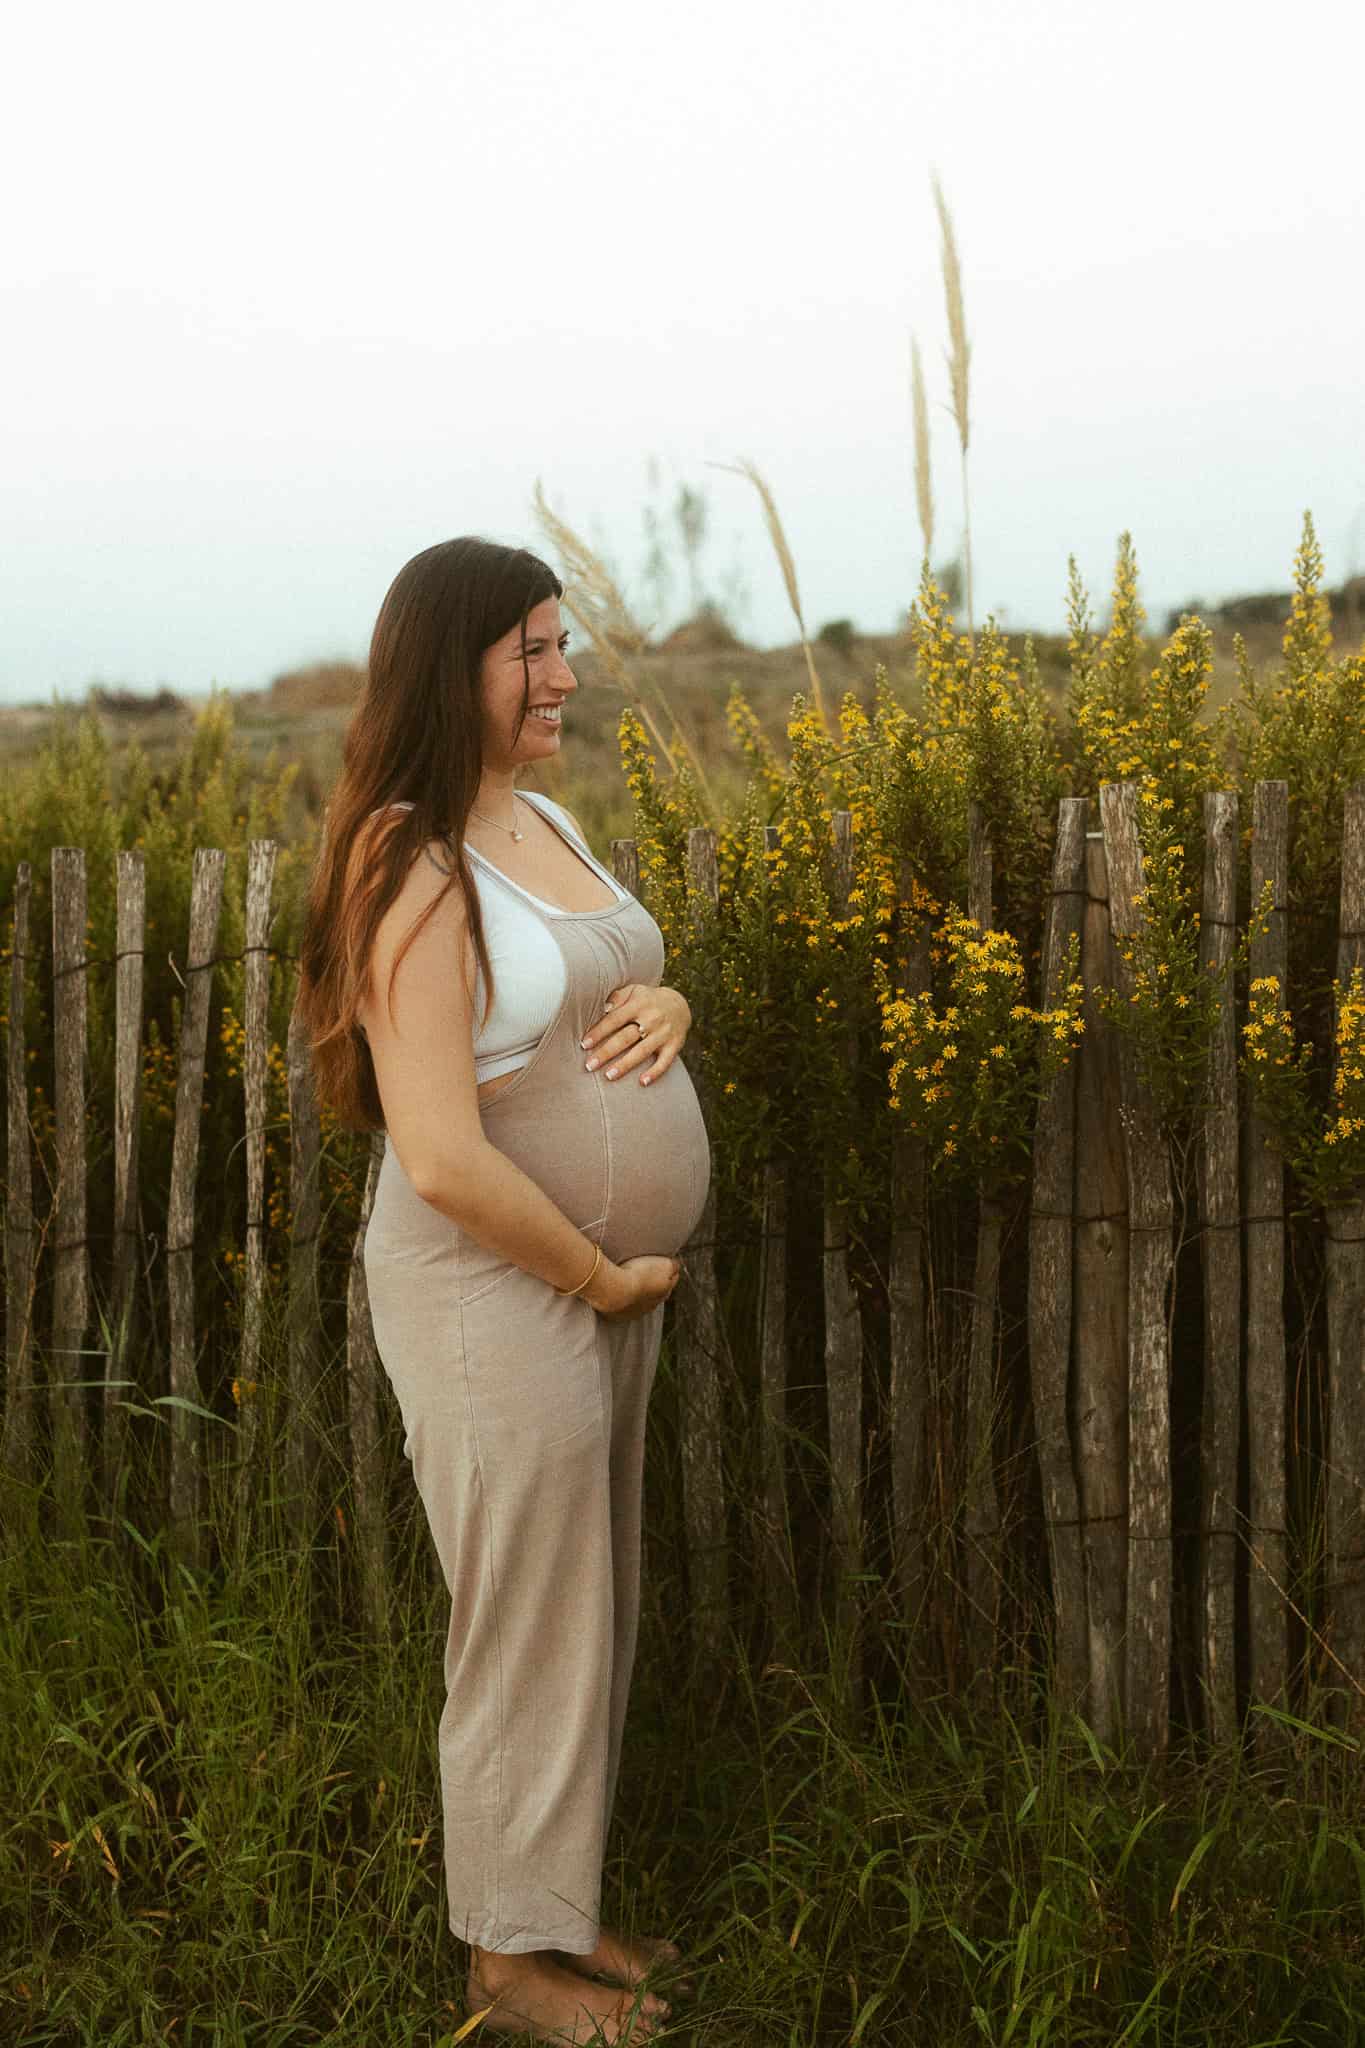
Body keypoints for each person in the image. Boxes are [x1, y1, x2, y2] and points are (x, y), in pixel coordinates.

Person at [296, 536, 711, 2043]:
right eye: (531, 649)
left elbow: (612, 982)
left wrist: (664, 994)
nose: (565, 674)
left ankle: (554, 1908)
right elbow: (444, 1157)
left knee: (583, 1602)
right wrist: (601, 1274)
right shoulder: (406, 861)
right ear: (448, 664)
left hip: (588, 1287)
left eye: (561, 644)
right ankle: (509, 1972)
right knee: (522, 1618)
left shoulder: (541, 819)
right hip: (496, 1285)